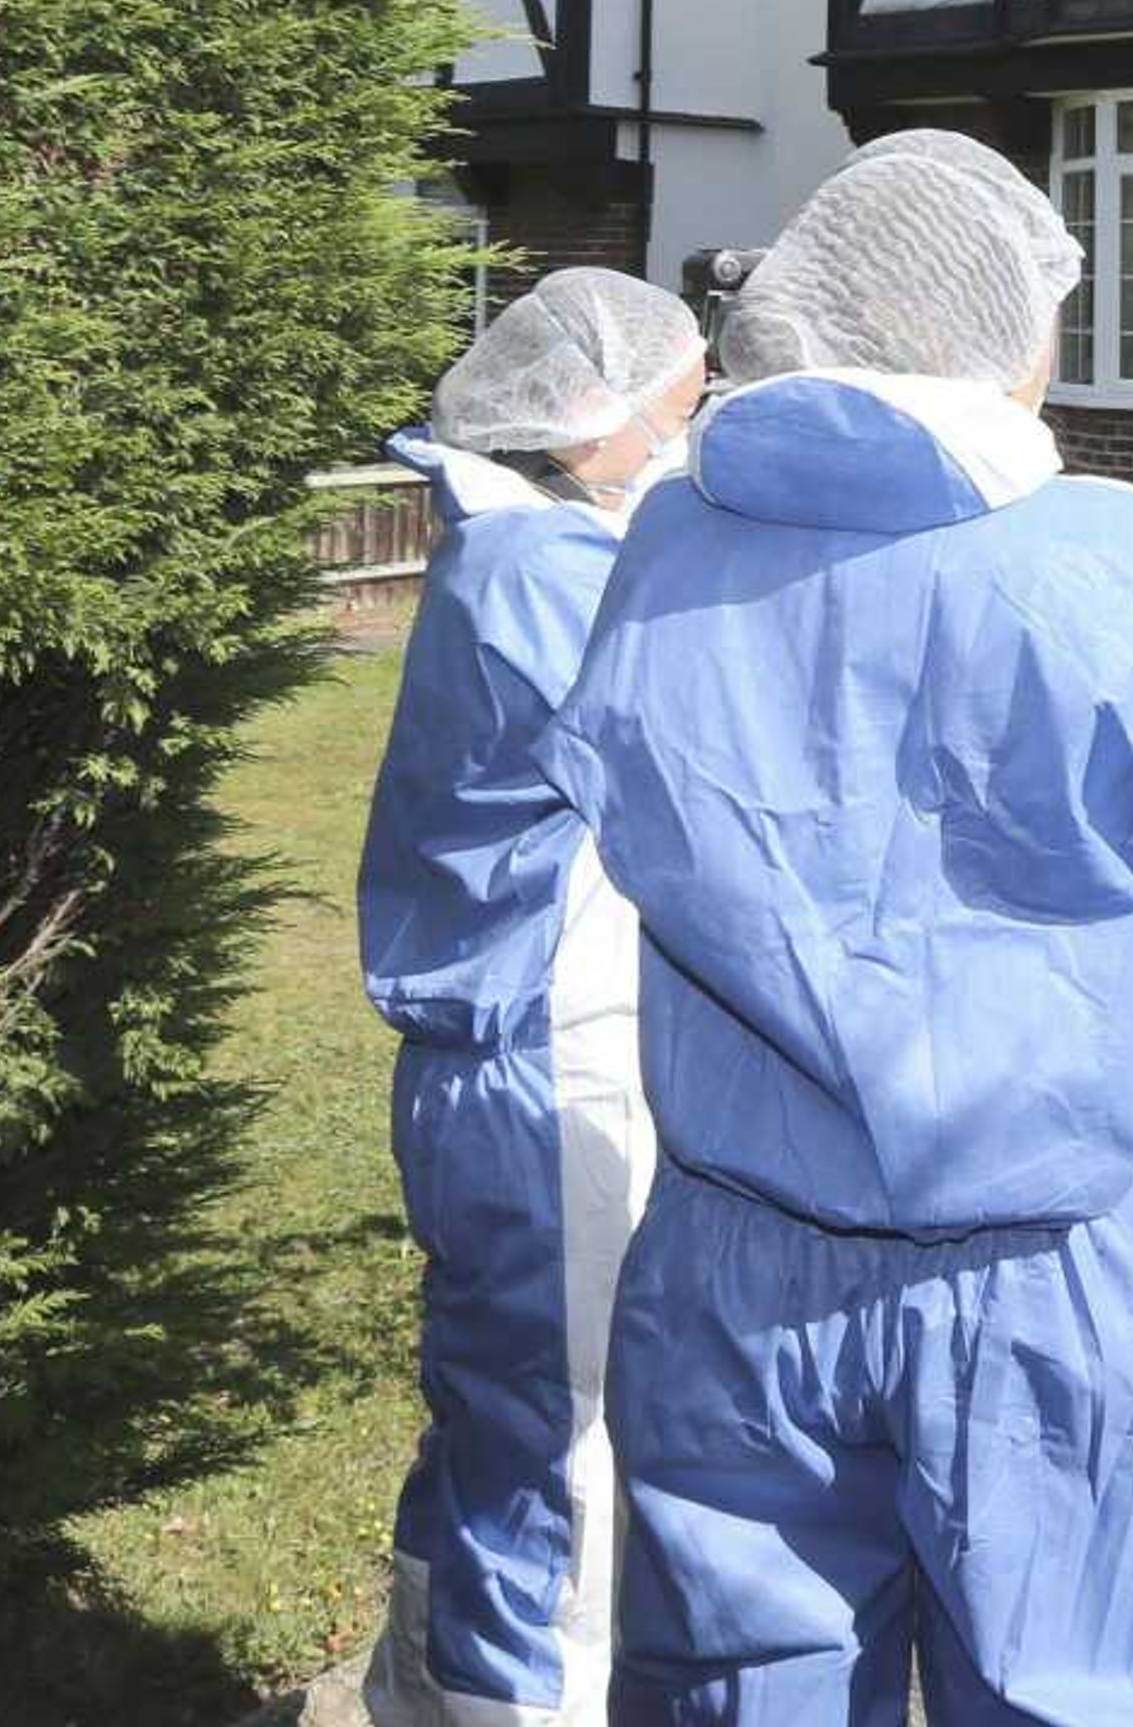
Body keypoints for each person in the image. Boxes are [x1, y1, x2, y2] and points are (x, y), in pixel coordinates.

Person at [548, 130, 1133, 1727]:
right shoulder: (1129, 554)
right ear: (1006, 333)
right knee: (1061, 1695)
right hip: (1025, 1272)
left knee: (734, 1697)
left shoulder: (661, 549)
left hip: (727, 1266)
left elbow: (640, 813)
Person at [356, 265, 708, 1727]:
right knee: (564, 1457)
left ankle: (425, 1689)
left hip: (492, 1062)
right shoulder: (546, 575)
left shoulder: (521, 545)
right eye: (686, 398)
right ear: (601, 418)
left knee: (495, 1422)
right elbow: (694, 766)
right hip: (541, 1067)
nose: (702, 420)